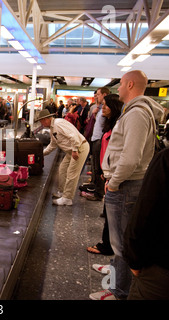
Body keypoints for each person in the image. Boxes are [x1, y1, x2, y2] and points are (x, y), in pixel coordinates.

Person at [89, 70, 164, 301]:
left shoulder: (136, 114)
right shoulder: (133, 112)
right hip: (124, 184)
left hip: (125, 186)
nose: (118, 89)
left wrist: (114, 181)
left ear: (130, 84)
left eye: (120, 84)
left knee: (120, 242)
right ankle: (115, 273)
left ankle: (120, 290)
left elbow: (131, 157)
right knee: (116, 238)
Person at [123, 147, 169, 299]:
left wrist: (133, 259)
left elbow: (145, 213)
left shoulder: (166, 159)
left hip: (160, 268)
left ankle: (117, 286)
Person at [86, 94, 122, 256]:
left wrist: (110, 176)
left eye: (106, 105)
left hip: (113, 177)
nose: (103, 108)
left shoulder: (118, 126)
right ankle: (107, 245)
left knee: (113, 216)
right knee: (109, 213)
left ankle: (107, 247)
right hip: (108, 174)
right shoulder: (110, 123)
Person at [37, 109, 90, 206]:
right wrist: (40, 154)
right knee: (62, 169)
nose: (41, 123)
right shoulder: (53, 128)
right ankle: (62, 192)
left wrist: (74, 150)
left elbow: (73, 136)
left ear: (46, 119)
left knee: (72, 173)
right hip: (71, 151)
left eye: (41, 121)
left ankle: (67, 198)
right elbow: (52, 145)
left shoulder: (58, 123)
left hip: (79, 149)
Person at [81, 87, 110, 201]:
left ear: (104, 94)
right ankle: (95, 187)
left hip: (100, 140)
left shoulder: (106, 109)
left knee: (98, 167)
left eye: (98, 94)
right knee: (94, 166)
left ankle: (99, 193)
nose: (96, 96)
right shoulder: (99, 108)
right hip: (95, 139)